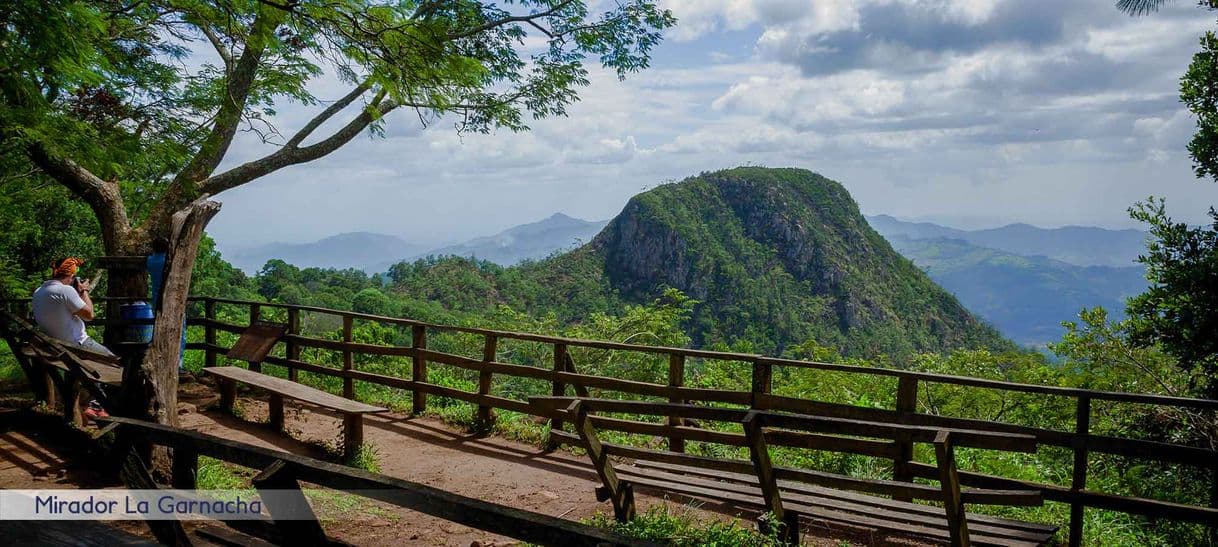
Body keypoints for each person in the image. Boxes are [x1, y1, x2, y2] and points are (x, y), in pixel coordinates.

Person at [32, 257, 115, 357]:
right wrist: (84, 291)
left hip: (55, 346)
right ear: (72, 275)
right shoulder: (65, 290)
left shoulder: (38, 291)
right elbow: (89, 316)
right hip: (77, 345)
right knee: (116, 364)